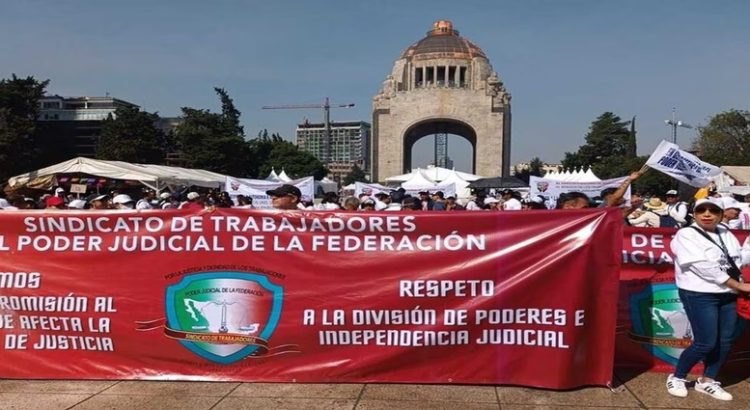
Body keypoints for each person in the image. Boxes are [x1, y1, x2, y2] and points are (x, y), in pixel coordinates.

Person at [666, 198, 750, 401]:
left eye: (713, 210)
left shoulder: (725, 233)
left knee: (725, 341)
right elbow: (702, 267)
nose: (707, 214)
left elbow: (737, 259)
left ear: (721, 215)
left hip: (726, 295)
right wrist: (738, 285)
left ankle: (707, 380)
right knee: (705, 342)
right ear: (694, 214)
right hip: (699, 294)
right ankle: (677, 376)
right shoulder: (685, 234)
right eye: (701, 210)